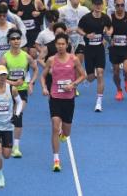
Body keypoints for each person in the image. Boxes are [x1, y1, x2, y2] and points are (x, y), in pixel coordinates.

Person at [40, 33, 86, 172]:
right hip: (55, 97)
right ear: (55, 45)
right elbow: (43, 76)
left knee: (66, 132)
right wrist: (44, 88)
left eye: (63, 44)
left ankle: (63, 134)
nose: (60, 46)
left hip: (69, 99)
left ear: (67, 45)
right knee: (55, 126)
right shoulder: (51, 60)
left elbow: (83, 75)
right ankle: (56, 159)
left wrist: (73, 84)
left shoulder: (74, 59)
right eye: (58, 44)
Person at [0, 28, 38, 158]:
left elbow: (35, 69)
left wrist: (31, 83)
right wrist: (13, 83)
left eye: (18, 38)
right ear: (9, 41)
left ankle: (15, 147)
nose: (16, 41)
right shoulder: (5, 58)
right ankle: (4, 138)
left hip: (22, 91)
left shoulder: (26, 56)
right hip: (8, 90)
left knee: (18, 115)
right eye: (13, 39)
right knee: (8, 116)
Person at [78, 0, 112, 112]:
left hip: (100, 49)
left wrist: (108, 32)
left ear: (102, 5)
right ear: (92, 5)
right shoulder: (86, 18)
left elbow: (110, 27)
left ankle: (99, 102)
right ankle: (88, 77)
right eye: (96, 5)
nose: (98, 7)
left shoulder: (105, 17)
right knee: (91, 77)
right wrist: (86, 35)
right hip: (89, 49)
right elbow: (78, 29)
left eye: (100, 5)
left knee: (100, 74)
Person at [109, 0, 127, 101]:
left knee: (126, 70)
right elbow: (107, 31)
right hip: (114, 49)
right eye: (118, 5)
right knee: (116, 73)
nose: (120, 7)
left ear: (125, 5)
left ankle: (126, 79)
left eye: (122, 5)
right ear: (114, 6)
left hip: (126, 48)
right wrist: (109, 38)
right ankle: (119, 90)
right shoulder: (110, 18)